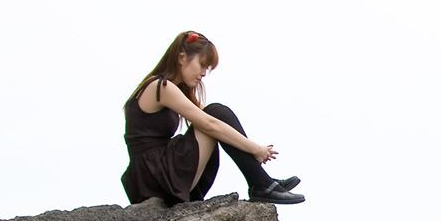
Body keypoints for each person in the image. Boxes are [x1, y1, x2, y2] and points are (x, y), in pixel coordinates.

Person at [119, 31, 305, 206]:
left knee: (217, 112)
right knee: (216, 113)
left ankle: (261, 182)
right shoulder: (161, 87)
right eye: (202, 65)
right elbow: (210, 124)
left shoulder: (170, 89)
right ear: (181, 57)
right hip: (152, 175)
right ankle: (261, 183)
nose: (203, 73)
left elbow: (216, 122)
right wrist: (255, 149)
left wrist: (253, 149)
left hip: (153, 174)